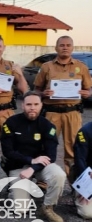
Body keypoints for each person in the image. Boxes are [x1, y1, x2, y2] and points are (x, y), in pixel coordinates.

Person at [0, 91, 66, 222]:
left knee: (59, 174)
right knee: (21, 209)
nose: (32, 107)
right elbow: (8, 152)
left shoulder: (48, 126)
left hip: (41, 166)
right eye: (29, 104)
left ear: (41, 105)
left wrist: (33, 167)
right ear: (22, 105)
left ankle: (48, 207)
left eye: (36, 104)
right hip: (18, 165)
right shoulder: (11, 123)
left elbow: (51, 156)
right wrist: (29, 161)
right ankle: (18, 189)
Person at [34, 35, 92, 175]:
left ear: (72, 48)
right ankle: (45, 181)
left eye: (68, 45)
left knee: (73, 148)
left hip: (72, 113)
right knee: (47, 145)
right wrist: (43, 94)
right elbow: (36, 90)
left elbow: (89, 89)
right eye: (62, 45)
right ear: (56, 48)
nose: (65, 48)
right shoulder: (47, 67)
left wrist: (87, 93)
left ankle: (75, 181)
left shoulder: (81, 67)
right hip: (51, 113)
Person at [71, 122, 92, 219]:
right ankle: (77, 193)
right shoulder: (85, 132)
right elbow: (80, 160)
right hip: (89, 176)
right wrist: (85, 186)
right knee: (88, 214)